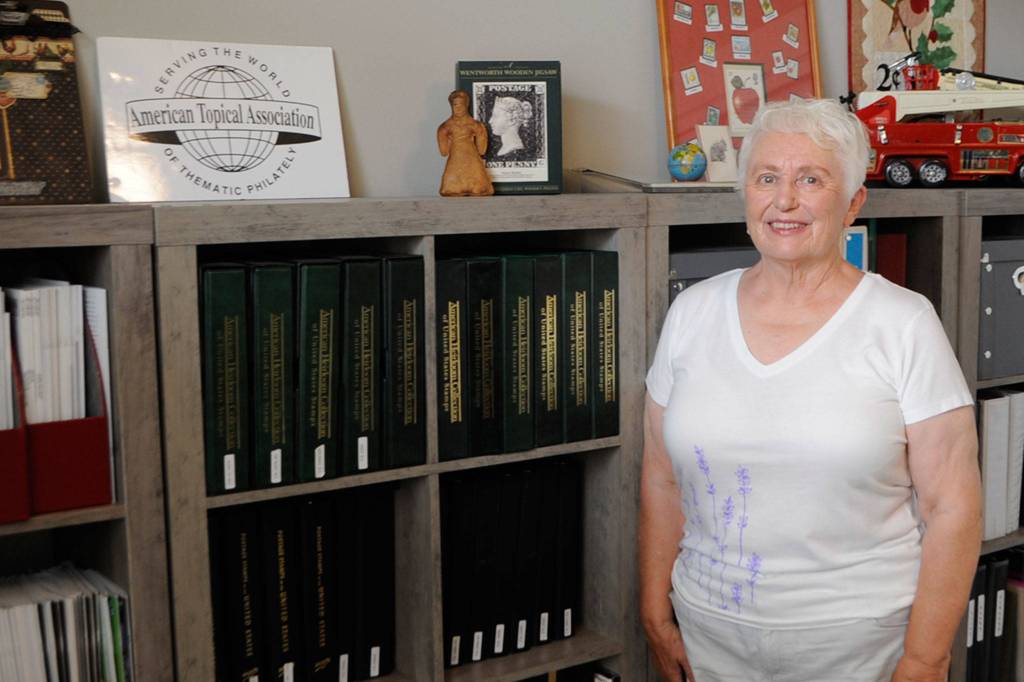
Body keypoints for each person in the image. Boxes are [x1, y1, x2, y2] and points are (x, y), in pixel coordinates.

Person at [639, 98, 981, 682]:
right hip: (708, 636)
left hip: (861, 647)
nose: (785, 200)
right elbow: (660, 474)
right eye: (766, 178)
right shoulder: (692, 311)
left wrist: (926, 659)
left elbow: (952, 506)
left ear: (853, 203)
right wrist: (654, 612)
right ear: (745, 193)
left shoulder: (904, 322)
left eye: (811, 180)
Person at [437, 90, 493, 197]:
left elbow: (482, 149)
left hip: (471, 155)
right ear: (451, 106)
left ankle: (477, 187)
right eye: (455, 105)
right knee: (451, 187)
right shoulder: (446, 126)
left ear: (466, 105)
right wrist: (443, 136)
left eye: (461, 105)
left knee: (479, 185)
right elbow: (443, 151)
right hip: (455, 157)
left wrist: (480, 137)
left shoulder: (474, 124)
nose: (458, 107)